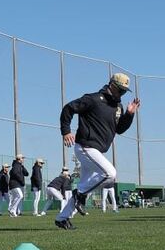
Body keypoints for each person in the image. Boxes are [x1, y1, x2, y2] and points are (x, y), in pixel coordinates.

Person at [54, 73, 141, 230]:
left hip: (97, 151)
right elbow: (68, 108)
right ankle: (79, 195)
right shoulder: (93, 99)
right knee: (110, 174)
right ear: (112, 86)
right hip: (85, 146)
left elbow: (119, 129)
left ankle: (62, 218)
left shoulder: (118, 107)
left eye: (124, 92)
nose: (121, 94)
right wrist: (66, 131)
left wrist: (129, 114)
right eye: (120, 90)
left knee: (85, 184)